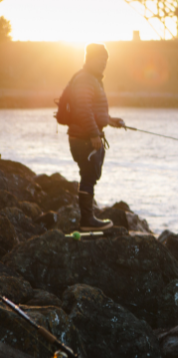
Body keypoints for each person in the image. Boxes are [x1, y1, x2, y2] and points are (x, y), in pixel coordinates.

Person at [66, 43, 126, 231]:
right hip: (84, 138)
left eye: (105, 60)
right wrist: (93, 134)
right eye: (100, 59)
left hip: (85, 136)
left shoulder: (92, 79)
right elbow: (83, 109)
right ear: (89, 59)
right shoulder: (85, 79)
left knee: (89, 175)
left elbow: (94, 111)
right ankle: (87, 221)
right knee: (88, 175)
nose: (103, 64)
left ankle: (88, 219)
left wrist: (111, 120)